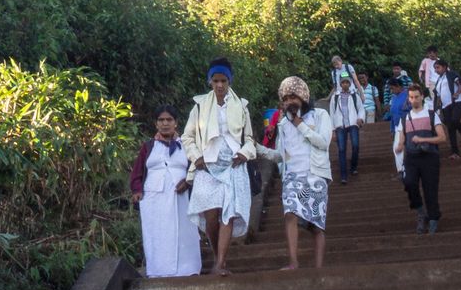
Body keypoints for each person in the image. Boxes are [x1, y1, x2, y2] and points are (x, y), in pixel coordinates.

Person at [181, 58, 258, 276]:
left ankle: (221, 264)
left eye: (223, 80)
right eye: (216, 81)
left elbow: (250, 138)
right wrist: (196, 157)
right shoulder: (199, 106)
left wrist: (244, 153)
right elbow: (188, 136)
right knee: (211, 217)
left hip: (233, 164)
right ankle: (218, 258)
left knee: (228, 213)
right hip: (207, 165)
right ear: (210, 81)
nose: (220, 85)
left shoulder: (242, 106)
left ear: (230, 81)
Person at [257, 76, 331, 270]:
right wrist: (256, 148)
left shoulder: (320, 115)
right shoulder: (282, 125)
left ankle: (319, 269)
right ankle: (293, 262)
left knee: (315, 225)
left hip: (315, 175)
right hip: (291, 176)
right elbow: (280, 156)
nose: (290, 101)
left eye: (294, 97)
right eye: (286, 98)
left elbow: (323, 142)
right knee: (290, 214)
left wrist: (300, 125)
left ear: (303, 97)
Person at [129, 106, 202, 278]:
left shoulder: (186, 145)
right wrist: (137, 190)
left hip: (181, 196)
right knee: (157, 232)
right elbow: (137, 172)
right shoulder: (148, 146)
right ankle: (158, 271)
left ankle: (188, 269)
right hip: (153, 198)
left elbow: (197, 166)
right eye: (161, 120)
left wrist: (188, 181)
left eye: (169, 120)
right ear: (156, 124)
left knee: (185, 230)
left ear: (176, 123)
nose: (165, 123)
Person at [393, 83, 448, 233]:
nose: (414, 100)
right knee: (409, 183)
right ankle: (420, 211)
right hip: (411, 157)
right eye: (411, 97)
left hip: (430, 156)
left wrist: (424, 140)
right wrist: (399, 146)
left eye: (417, 96)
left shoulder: (431, 115)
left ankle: (433, 218)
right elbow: (401, 138)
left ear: (422, 97)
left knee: (430, 188)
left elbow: (442, 137)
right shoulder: (405, 118)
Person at [326, 74, 363, 183]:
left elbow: (360, 108)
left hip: (352, 123)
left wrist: (360, 118)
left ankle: (353, 166)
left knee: (355, 145)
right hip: (339, 125)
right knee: (342, 149)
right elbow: (332, 113)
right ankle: (343, 175)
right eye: (343, 82)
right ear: (340, 84)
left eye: (347, 82)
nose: (345, 84)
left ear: (350, 83)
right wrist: (332, 130)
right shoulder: (335, 97)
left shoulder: (355, 95)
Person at [431, 59, 461, 158]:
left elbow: (460, 84)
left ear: (444, 67)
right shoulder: (439, 80)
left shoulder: (451, 74)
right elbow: (438, 96)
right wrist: (436, 108)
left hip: (458, 102)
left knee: (455, 120)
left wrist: (457, 93)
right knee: (450, 127)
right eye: (435, 68)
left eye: (437, 67)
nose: (436, 70)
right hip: (445, 106)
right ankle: (455, 152)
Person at [384, 62, 412, 177]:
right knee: (397, 148)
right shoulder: (394, 98)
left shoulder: (408, 95)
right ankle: (400, 170)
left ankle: (409, 168)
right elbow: (393, 113)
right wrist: (392, 129)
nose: (392, 90)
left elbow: (412, 109)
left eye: (393, 88)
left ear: (399, 86)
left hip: (407, 124)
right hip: (396, 126)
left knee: (408, 147)